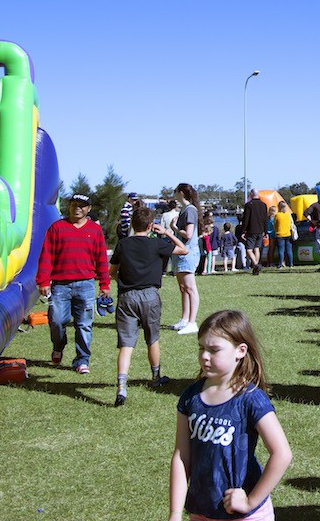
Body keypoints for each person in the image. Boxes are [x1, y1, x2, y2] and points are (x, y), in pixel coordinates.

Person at [170, 310, 292, 521]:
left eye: (214, 350)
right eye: (201, 348)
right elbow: (182, 456)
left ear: (240, 351)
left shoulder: (251, 398)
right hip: (201, 510)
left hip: (243, 515)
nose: (204, 356)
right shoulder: (191, 397)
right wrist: (175, 513)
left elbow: (282, 453)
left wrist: (250, 501)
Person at [110, 206, 187, 406]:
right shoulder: (157, 244)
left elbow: (112, 271)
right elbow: (183, 249)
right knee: (152, 339)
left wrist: (122, 282)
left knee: (126, 344)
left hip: (127, 296)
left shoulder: (123, 244)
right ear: (151, 225)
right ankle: (156, 376)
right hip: (150, 295)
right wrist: (167, 233)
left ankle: (121, 386)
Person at [37, 192, 110, 374]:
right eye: (74, 204)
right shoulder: (57, 228)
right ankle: (58, 346)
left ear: (88, 209)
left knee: (84, 324)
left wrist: (104, 284)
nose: (77, 208)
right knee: (56, 321)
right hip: (60, 286)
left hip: (85, 285)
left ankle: (82, 360)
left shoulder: (95, 230)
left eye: (82, 205)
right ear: (69, 206)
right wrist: (43, 281)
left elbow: (101, 259)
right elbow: (46, 256)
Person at [170, 184, 202, 335]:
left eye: (175, 192)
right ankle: (184, 319)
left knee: (190, 288)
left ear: (181, 193)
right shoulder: (184, 210)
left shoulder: (190, 210)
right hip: (179, 254)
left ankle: (192, 322)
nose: (174, 195)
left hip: (187, 254)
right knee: (183, 288)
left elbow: (188, 234)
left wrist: (174, 228)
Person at [240, 189, 268, 276]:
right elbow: (265, 219)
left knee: (248, 249)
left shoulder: (248, 205)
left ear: (252, 194)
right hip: (260, 230)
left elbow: (246, 219)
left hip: (252, 230)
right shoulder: (264, 205)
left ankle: (255, 264)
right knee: (256, 248)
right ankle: (255, 268)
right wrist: (266, 231)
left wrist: (243, 231)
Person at [274, 200, 294, 269]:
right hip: (288, 234)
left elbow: (275, 225)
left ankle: (280, 264)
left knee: (281, 250)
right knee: (289, 250)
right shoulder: (288, 215)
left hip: (280, 234)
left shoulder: (277, 215)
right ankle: (291, 264)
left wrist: (276, 231)